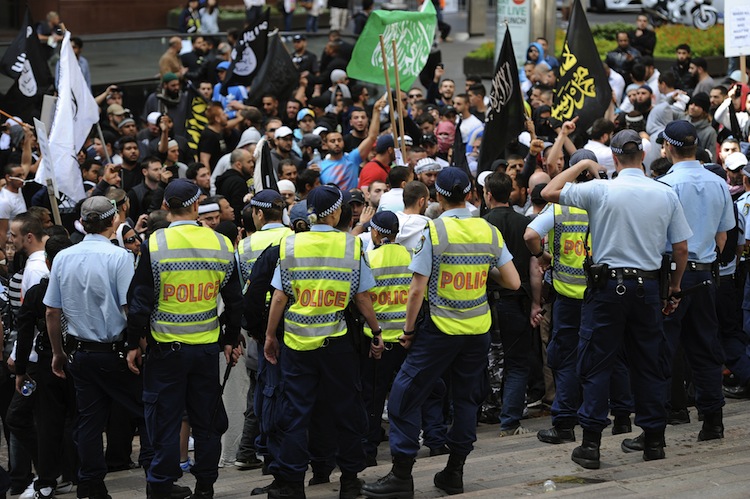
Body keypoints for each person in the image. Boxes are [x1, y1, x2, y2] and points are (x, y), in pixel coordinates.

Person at [362, 168, 521, 498]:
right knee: (465, 401)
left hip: (441, 330)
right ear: (471, 194)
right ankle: (454, 471)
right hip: (477, 330)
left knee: (404, 395)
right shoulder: (488, 231)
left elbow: (416, 289)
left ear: (437, 196)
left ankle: (401, 475)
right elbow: (513, 281)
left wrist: (408, 331)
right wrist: (481, 269)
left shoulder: (434, 231)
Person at [541, 129, 692, 469]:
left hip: (607, 289)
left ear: (613, 157)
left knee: (597, 364)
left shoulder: (600, 189)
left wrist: (584, 166)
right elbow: (681, 248)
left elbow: (549, 190)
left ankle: (591, 444)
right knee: (649, 364)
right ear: (642, 156)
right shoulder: (664, 192)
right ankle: (654, 440)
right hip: (647, 288)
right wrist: (674, 288)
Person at [262, 185, 384, 499]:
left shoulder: (290, 244)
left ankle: (292, 484)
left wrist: (271, 336)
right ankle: (350, 481)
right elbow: (362, 298)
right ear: (336, 212)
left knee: (295, 414)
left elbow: (279, 297)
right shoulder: (351, 246)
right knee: (346, 410)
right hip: (336, 344)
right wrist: (376, 331)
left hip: (297, 344)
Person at [126, 179, 244, 499]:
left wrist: (133, 343)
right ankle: (205, 485)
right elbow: (235, 302)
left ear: (165, 206)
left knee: (165, 421)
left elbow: (140, 301)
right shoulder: (222, 244)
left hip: (166, 352)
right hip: (205, 351)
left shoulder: (156, 243)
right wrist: (230, 339)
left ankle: (161, 486)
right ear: (197, 205)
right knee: (206, 421)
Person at [45, 197, 155, 499]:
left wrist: (58, 352)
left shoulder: (63, 257)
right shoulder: (119, 257)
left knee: (90, 420)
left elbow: (52, 311)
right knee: (146, 412)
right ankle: (155, 479)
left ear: (83, 222)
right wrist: (140, 346)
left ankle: (91, 484)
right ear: (114, 220)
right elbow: (130, 308)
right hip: (115, 352)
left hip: (81, 353)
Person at [640, 121, 734, 446]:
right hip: (705, 273)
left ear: (668, 147)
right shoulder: (718, 182)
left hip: (673, 276)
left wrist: (671, 282)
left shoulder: (665, 185)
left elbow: (658, 238)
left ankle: (656, 429)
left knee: (661, 351)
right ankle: (713, 421)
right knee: (706, 348)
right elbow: (722, 237)